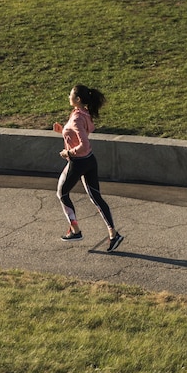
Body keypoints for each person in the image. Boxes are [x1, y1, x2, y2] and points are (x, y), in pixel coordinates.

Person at [52, 84, 124, 252]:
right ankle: (114, 234)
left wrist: (68, 153)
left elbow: (84, 144)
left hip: (78, 162)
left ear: (77, 99)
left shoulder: (77, 117)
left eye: (70, 94)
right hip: (90, 161)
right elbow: (82, 133)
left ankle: (75, 231)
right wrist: (63, 132)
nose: (68, 96)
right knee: (96, 198)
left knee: (62, 193)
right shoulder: (84, 113)